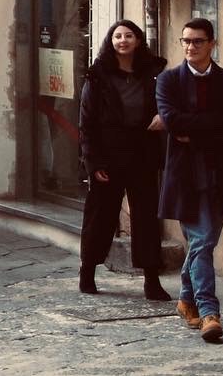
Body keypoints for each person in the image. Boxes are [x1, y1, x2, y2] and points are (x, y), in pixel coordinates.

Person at [157, 18, 223, 343]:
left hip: (221, 174)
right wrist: (211, 126)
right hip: (185, 176)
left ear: (211, 43)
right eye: (185, 41)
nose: (190, 47)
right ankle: (209, 311)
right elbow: (172, 121)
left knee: (203, 243)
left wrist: (193, 130)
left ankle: (187, 300)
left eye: (197, 41)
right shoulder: (168, 80)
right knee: (201, 241)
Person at [77, 19, 168, 300]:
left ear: (138, 41)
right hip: (108, 156)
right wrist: (93, 163)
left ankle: (151, 279)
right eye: (118, 36)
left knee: (146, 218)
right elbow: (87, 122)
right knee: (100, 216)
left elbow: (169, 102)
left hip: (142, 153)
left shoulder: (153, 73)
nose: (123, 40)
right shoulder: (98, 76)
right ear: (110, 41)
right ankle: (88, 271)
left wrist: (163, 115)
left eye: (129, 35)